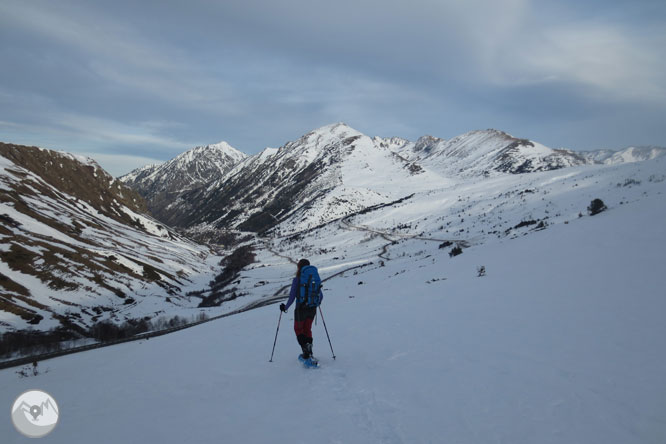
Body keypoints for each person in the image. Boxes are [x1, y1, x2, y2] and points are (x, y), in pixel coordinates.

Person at [280, 259, 323, 366]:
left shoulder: (297, 280)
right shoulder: (314, 279)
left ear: (299, 267)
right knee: (307, 329)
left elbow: (292, 297)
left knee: (298, 329)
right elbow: (321, 295)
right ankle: (309, 350)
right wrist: (316, 303)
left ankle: (306, 352)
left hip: (301, 309)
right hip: (312, 308)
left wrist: (285, 307)